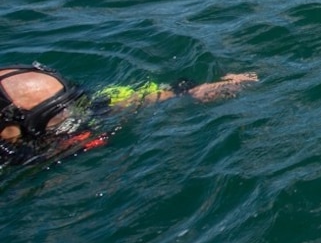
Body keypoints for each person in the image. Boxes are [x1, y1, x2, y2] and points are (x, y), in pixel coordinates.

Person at [0, 63, 257, 167]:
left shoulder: (79, 115)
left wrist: (194, 92)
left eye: (75, 103)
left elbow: (112, 104)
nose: (76, 117)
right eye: (57, 114)